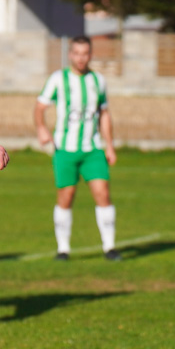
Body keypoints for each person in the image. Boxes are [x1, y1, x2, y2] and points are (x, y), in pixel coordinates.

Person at [34, 35, 120, 261]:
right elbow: (40, 106)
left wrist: (109, 146)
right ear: (70, 54)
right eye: (77, 53)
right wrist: (42, 128)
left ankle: (109, 247)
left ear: (90, 55)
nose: (81, 58)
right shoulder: (58, 79)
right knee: (66, 195)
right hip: (65, 149)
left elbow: (104, 114)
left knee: (102, 193)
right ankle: (63, 249)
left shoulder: (98, 81)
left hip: (93, 149)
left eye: (85, 54)